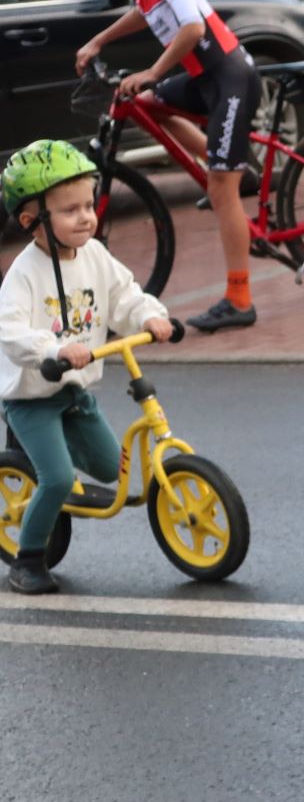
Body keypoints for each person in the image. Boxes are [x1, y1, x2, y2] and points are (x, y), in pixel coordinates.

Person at [74, 0, 263, 334]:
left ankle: (239, 298)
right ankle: (236, 170)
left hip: (230, 77)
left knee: (220, 190)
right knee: (149, 103)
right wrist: (97, 41)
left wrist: (152, 72)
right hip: (206, 78)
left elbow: (193, 30)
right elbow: (142, 14)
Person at [1, 141, 173, 595]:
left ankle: (41, 470)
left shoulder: (94, 255)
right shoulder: (23, 275)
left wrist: (149, 316)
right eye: (69, 210)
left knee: (108, 466)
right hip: (31, 399)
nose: (85, 217)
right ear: (31, 221)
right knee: (58, 478)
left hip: (74, 394)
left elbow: (124, 296)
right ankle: (29, 558)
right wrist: (54, 349)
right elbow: (11, 332)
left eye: (87, 205)